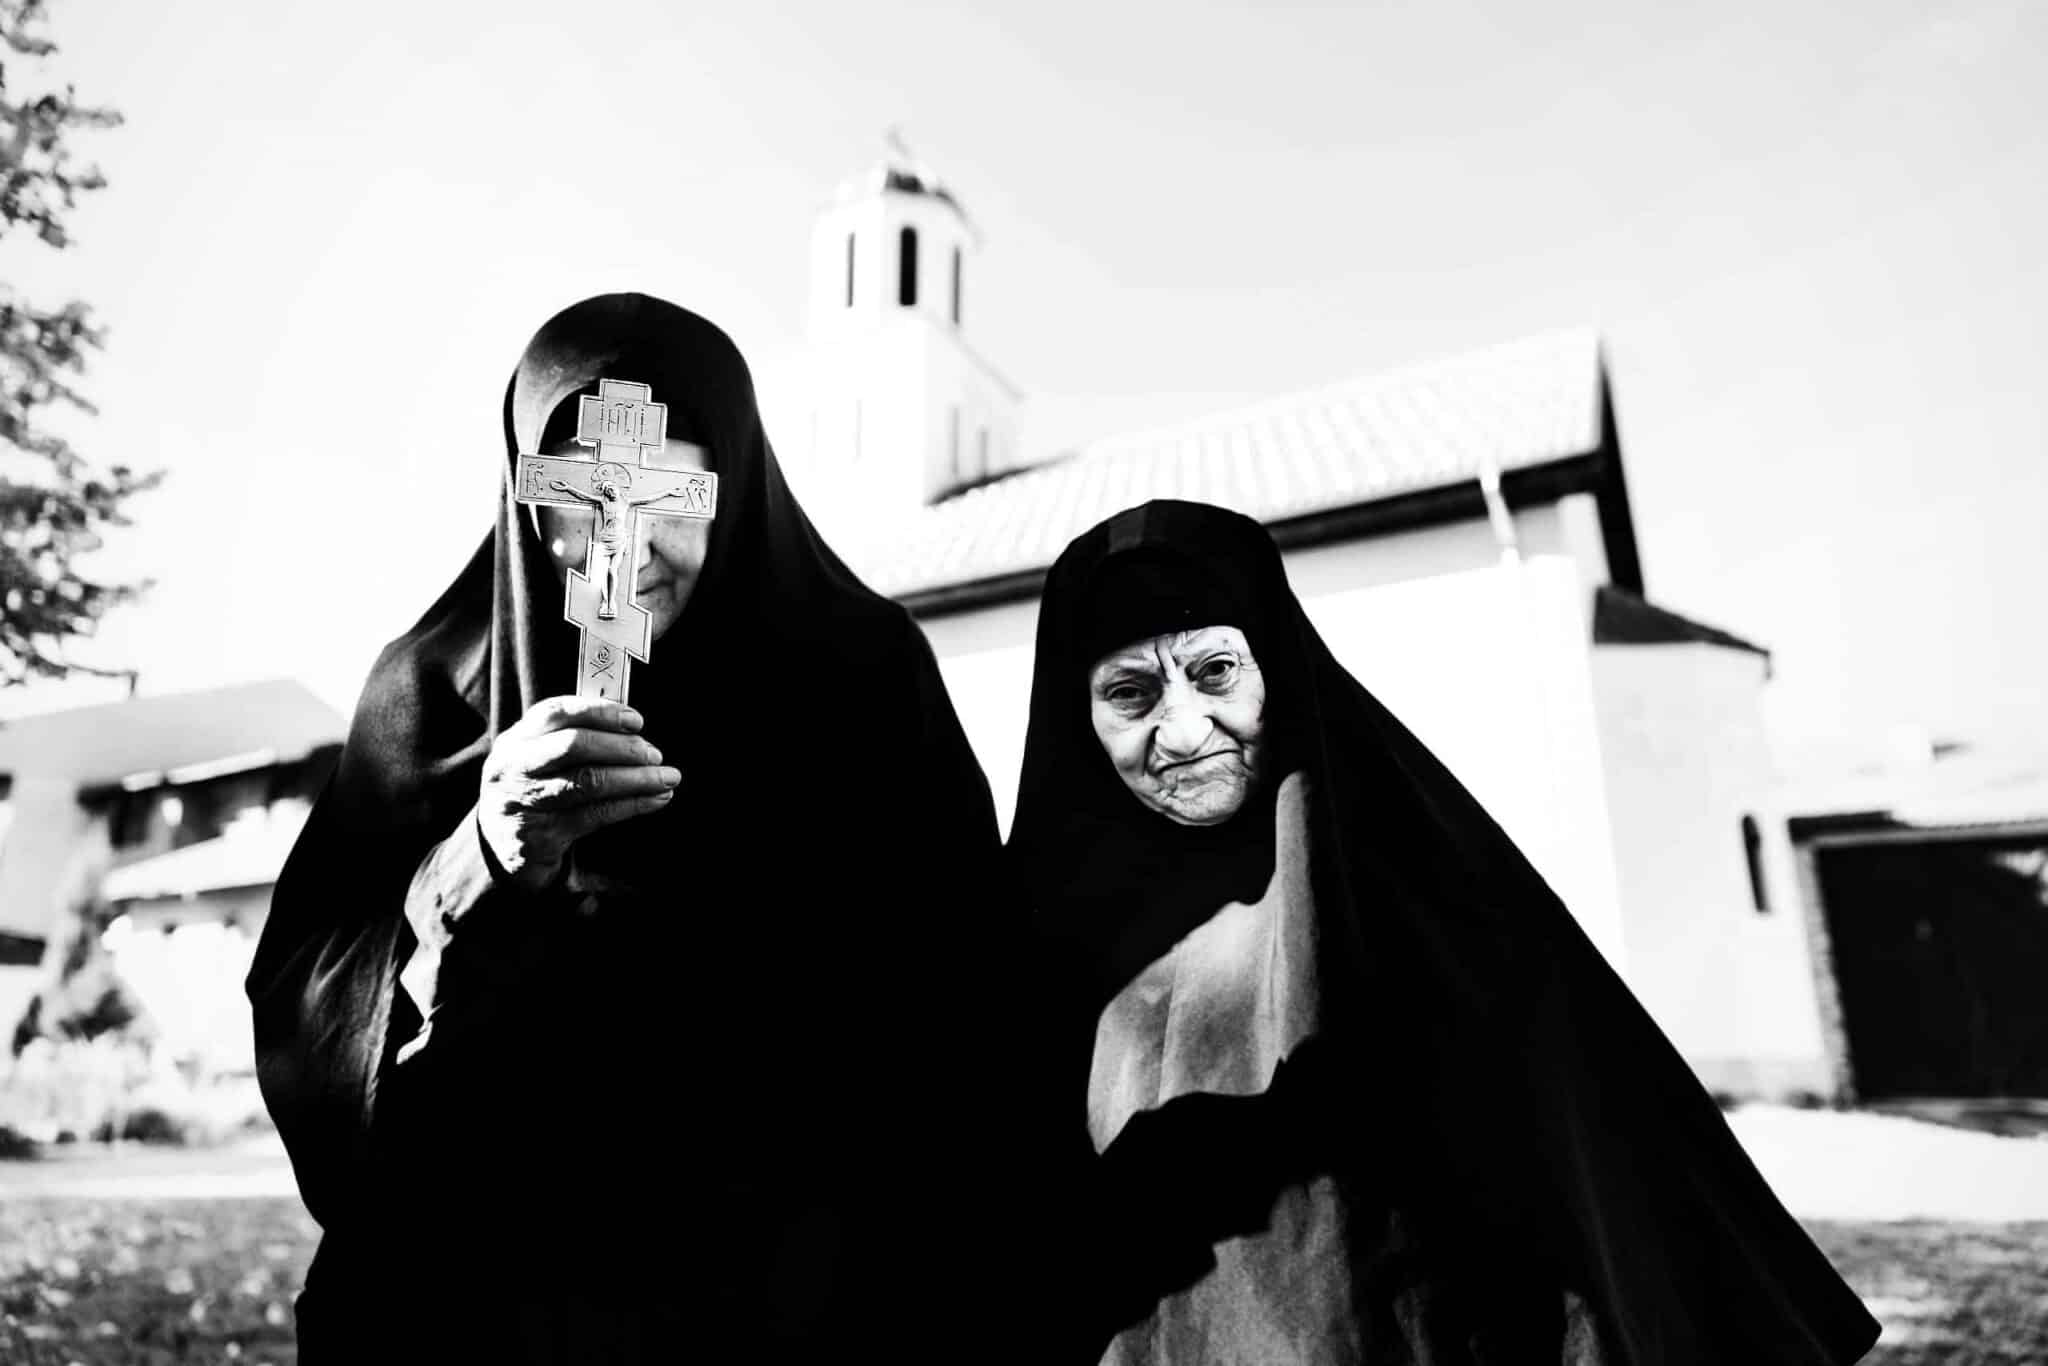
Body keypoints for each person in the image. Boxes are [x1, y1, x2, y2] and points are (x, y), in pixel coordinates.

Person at [247, 293, 1035, 1364]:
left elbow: (969, 993)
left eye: (667, 492)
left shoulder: (862, 676)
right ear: (526, 497)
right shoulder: (431, 692)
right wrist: (482, 858)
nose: (625, 543)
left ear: (736, 484)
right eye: (582, 496)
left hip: (787, 1304)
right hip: (484, 1297)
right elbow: (315, 1007)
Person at [1008, 499, 1881, 1365]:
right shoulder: (1035, 948)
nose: (1184, 730)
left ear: (1276, 668)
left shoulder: (1428, 889)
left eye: (1215, 673)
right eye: (1130, 693)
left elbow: (1579, 1199)